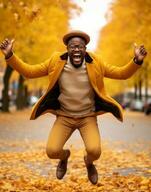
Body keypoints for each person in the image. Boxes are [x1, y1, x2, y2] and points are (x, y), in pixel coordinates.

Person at [0, 30, 147, 184]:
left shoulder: (96, 62)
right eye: (72, 47)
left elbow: (121, 73)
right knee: (52, 151)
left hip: (87, 117)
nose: (76, 49)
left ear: (85, 49)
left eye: (80, 47)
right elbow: (29, 72)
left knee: (95, 151)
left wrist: (136, 61)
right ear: (67, 49)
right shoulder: (55, 61)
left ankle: (89, 163)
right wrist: (10, 55)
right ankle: (64, 157)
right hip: (64, 116)